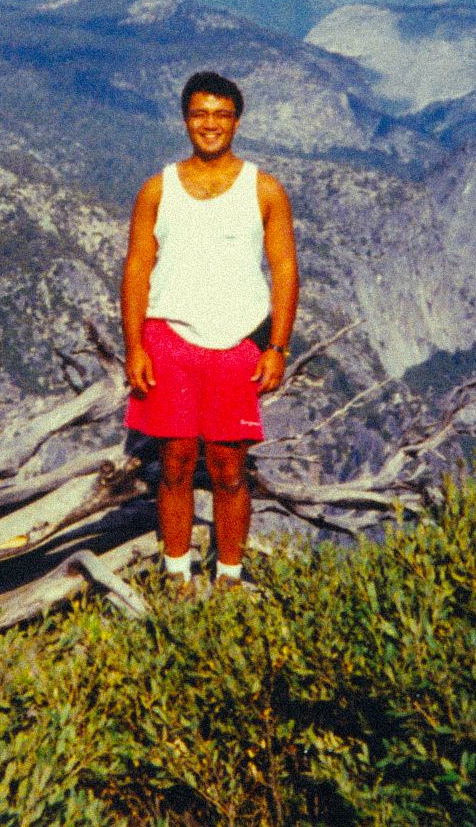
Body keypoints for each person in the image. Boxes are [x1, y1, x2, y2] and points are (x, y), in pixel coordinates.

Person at [121, 70, 298, 590]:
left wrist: (278, 347)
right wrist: (135, 347)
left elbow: (285, 270)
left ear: (237, 122)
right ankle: (176, 575)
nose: (210, 124)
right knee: (174, 464)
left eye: (221, 115)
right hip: (170, 338)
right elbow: (137, 269)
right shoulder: (158, 189)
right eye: (200, 114)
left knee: (227, 468)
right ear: (185, 120)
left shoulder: (264, 189)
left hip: (239, 341)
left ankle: (228, 578)